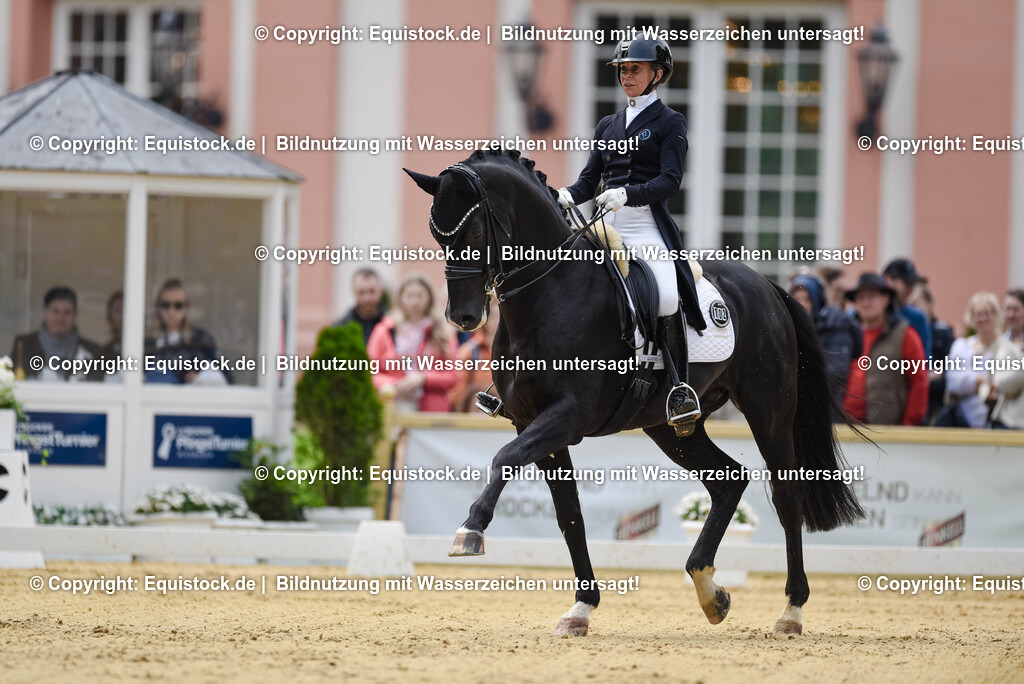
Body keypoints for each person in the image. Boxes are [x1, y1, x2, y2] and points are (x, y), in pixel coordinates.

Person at [555, 37, 706, 435]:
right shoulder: (607, 124)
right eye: (623, 69)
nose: (627, 75)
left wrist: (628, 193)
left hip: (645, 226)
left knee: (668, 293)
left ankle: (678, 387)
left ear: (657, 74)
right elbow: (589, 180)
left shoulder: (669, 122)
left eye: (635, 69)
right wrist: (565, 194)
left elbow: (670, 181)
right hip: (605, 227)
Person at [842, 273, 928, 425]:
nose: (865, 302)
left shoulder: (905, 335)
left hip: (889, 433)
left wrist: (909, 425)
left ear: (886, 299)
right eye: (861, 297)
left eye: (871, 296)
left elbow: (919, 382)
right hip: (846, 430)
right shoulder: (845, 335)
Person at [366, 274, 457, 412]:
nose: (414, 301)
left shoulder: (443, 331)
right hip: (393, 405)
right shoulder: (384, 330)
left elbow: (453, 375)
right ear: (401, 298)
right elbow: (371, 370)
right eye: (409, 296)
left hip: (431, 410)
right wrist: (394, 385)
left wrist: (423, 378)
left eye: (420, 296)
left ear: (429, 298)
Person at [789, 274, 862, 417]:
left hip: (827, 412)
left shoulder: (836, 326)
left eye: (807, 299)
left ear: (817, 301)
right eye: (797, 300)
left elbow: (838, 371)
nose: (801, 305)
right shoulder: (787, 331)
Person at [943, 292, 1017, 428]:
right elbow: (954, 382)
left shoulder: (1009, 348)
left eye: (987, 313)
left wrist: (975, 381)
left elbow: (1013, 380)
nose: (983, 318)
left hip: (1001, 422)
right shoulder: (961, 346)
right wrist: (989, 381)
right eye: (978, 314)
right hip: (964, 421)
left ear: (997, 315)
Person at [9, 286, 103, 382]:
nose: (60, 319)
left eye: (67, 313)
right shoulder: (23, 345)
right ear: (45, 312)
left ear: (75, 316)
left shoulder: (93, 352)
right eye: (55, 311)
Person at [144, 278, 226, 385]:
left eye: (178, 305)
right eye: (165, 305)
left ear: (186, 308)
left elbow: (221, 380)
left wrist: (199, 378)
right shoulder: (148, 343)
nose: (171, 311)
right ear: (158, 307)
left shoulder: (199, 340)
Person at [907, 279, 955, 424]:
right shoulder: (903, 335)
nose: (911, 310)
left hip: (935, 408)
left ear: (928, 303)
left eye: (915, 304)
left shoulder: (943, 333)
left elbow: (947, 375)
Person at [449, 298, 499, 413]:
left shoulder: (514, 352)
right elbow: (457, 390)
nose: (497, 321)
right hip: (476, 413)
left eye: (500, 317)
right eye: (493, 317)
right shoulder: (469, 351)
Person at [883, 258, 933, 360]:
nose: (911, 289)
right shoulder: (867, 313)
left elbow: (923, 360)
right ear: (889, 280)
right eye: (907, 283)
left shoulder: (917, 318)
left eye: (912, 284)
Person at [333, 268, 387, 345]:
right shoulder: (341, 327)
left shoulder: (393, 326)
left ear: (381, 291)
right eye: (361, 292)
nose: (367, 299)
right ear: (354, 292)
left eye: (372, 291)